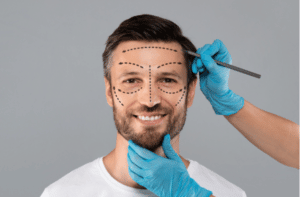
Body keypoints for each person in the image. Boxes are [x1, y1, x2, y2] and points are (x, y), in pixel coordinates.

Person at [40, 13, 298, 197]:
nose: (150, 99)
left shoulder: (226, 194)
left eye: (167, 80)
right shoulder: (61, 194)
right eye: (131, 80)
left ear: (191, 92)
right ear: (109, 91)